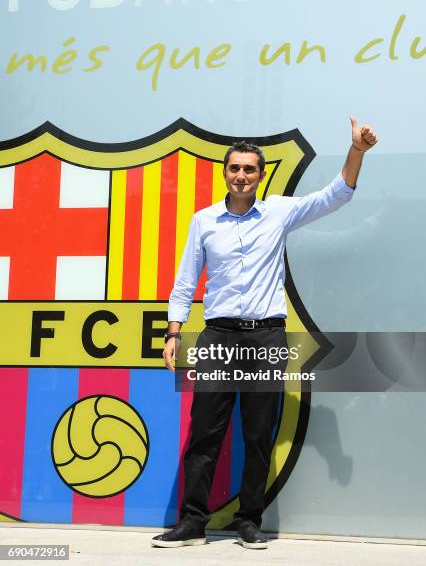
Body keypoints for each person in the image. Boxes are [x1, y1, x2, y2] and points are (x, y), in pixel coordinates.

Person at [151, 116, 378, 549]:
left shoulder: (279, 211)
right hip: (217, 337)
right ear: (225, 172)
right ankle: (192, 521)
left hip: (266, 337)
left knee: (258, 433)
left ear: (260, 174)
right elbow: (185, 282)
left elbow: (338, 195)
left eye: (249, 169)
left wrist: (357, 152)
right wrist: (173, 332)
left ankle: (248, 521)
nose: (241, 175)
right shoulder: (204, 221)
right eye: (234, 168)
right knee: (205, 431)